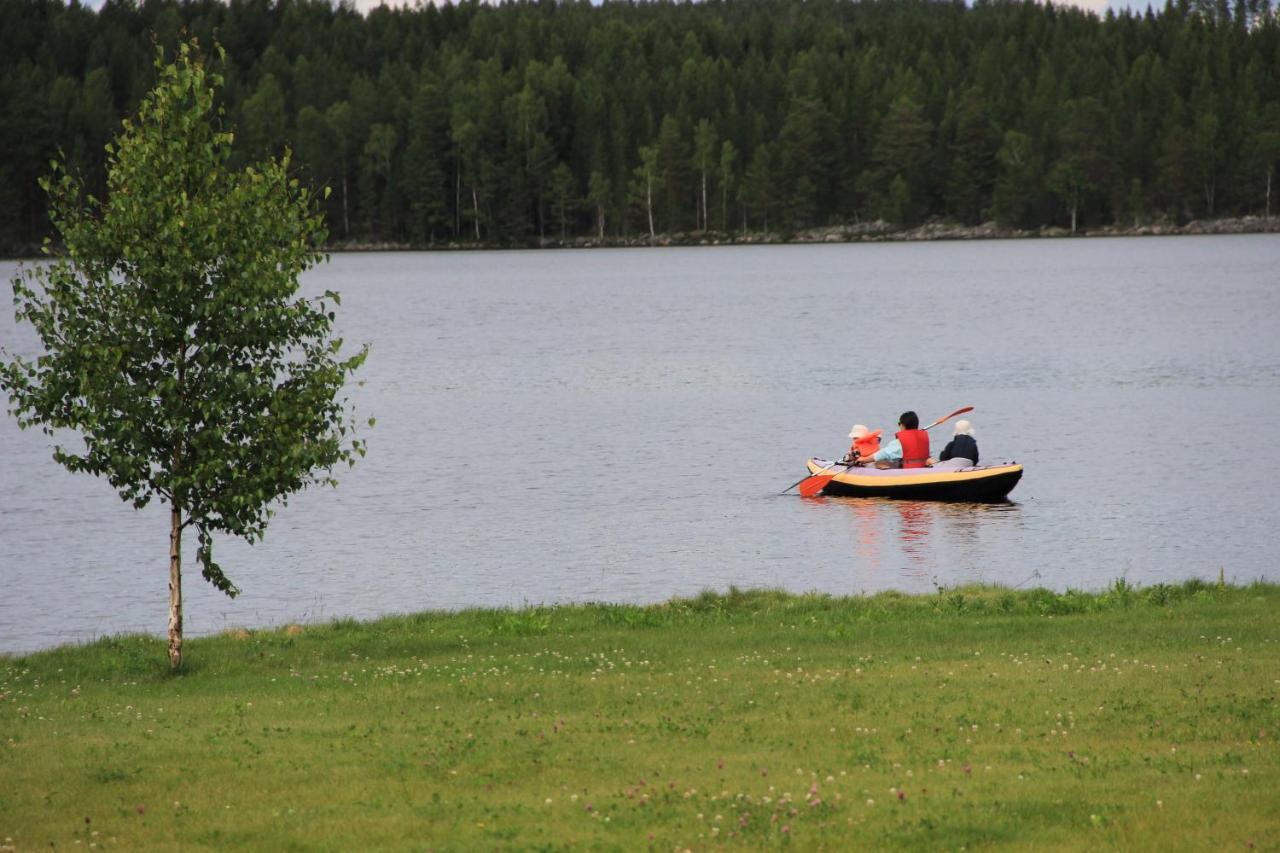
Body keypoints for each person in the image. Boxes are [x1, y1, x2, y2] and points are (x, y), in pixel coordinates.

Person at [857, 411, 931, 469]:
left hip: (906, 469)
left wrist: (863, 459)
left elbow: (881, 454)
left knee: (879, 462)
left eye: (899, 423)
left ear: (903, 425)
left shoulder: (897, 443)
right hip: (921, 466)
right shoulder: (924, 439)